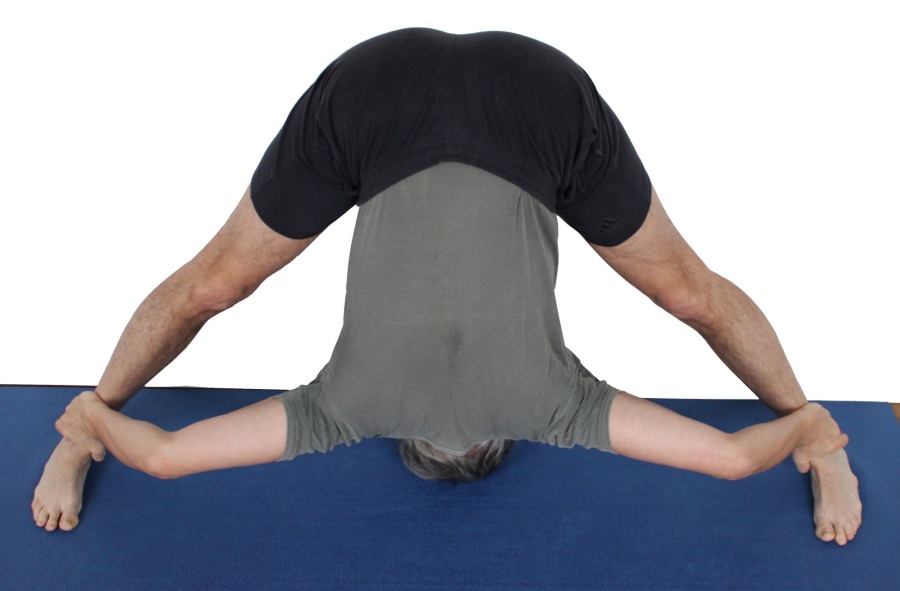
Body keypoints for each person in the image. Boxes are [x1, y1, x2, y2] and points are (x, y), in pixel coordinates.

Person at [32, 28, 862, 545]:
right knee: (210, 287)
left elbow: (729, 461)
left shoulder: (556, 411)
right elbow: (166, 458)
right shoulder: (346, 412)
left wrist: (807, 431)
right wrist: (95, 419)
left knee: (689, 295)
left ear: (497, 446)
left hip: (509, 98)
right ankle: (79, 432)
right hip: (400, 94)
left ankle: (823, 443)